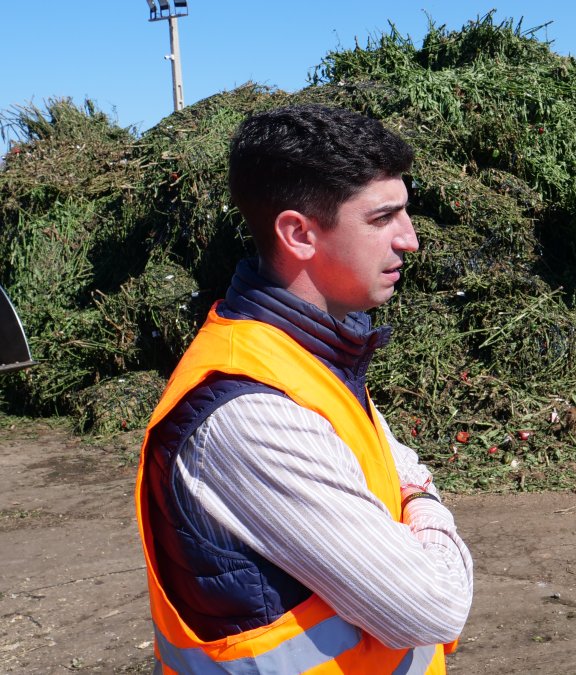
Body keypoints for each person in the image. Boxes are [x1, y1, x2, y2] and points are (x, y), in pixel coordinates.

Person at [134, 104, 473, 674]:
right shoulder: (249, 413)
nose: (410, 240)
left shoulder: (308, 355)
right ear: (298, 233)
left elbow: (395, 459)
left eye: (405, 214)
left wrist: (409, 484)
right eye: (381, 218)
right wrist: (424, 504)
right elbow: (433, 607)